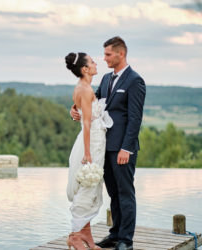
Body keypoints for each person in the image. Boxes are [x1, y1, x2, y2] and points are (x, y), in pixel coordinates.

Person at [70, 36, 146, 250]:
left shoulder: (135, 81)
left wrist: (127, 148)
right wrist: (74, 108)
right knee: (113, 193)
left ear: (121, 54)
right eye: (103, 55)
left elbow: (135, 119)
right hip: (104, 147)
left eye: (108, 54)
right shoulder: (105, 79)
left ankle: (126, 241)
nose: (104, 59)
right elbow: (91, 100)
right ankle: (115, 235)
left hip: (122, 148)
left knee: (125, 193)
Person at [65, 52, 113, 250]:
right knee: (87, 186)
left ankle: (86, 234)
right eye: (92, 62)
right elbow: (86, 124)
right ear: (85, 69)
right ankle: (75, 236)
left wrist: (73, 108)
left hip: (97, 142)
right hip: (91, 143)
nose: (96, 63)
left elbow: (83, 111)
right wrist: (87, 153)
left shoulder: (86, 88)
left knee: (92, 186)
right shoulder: (84, 90)